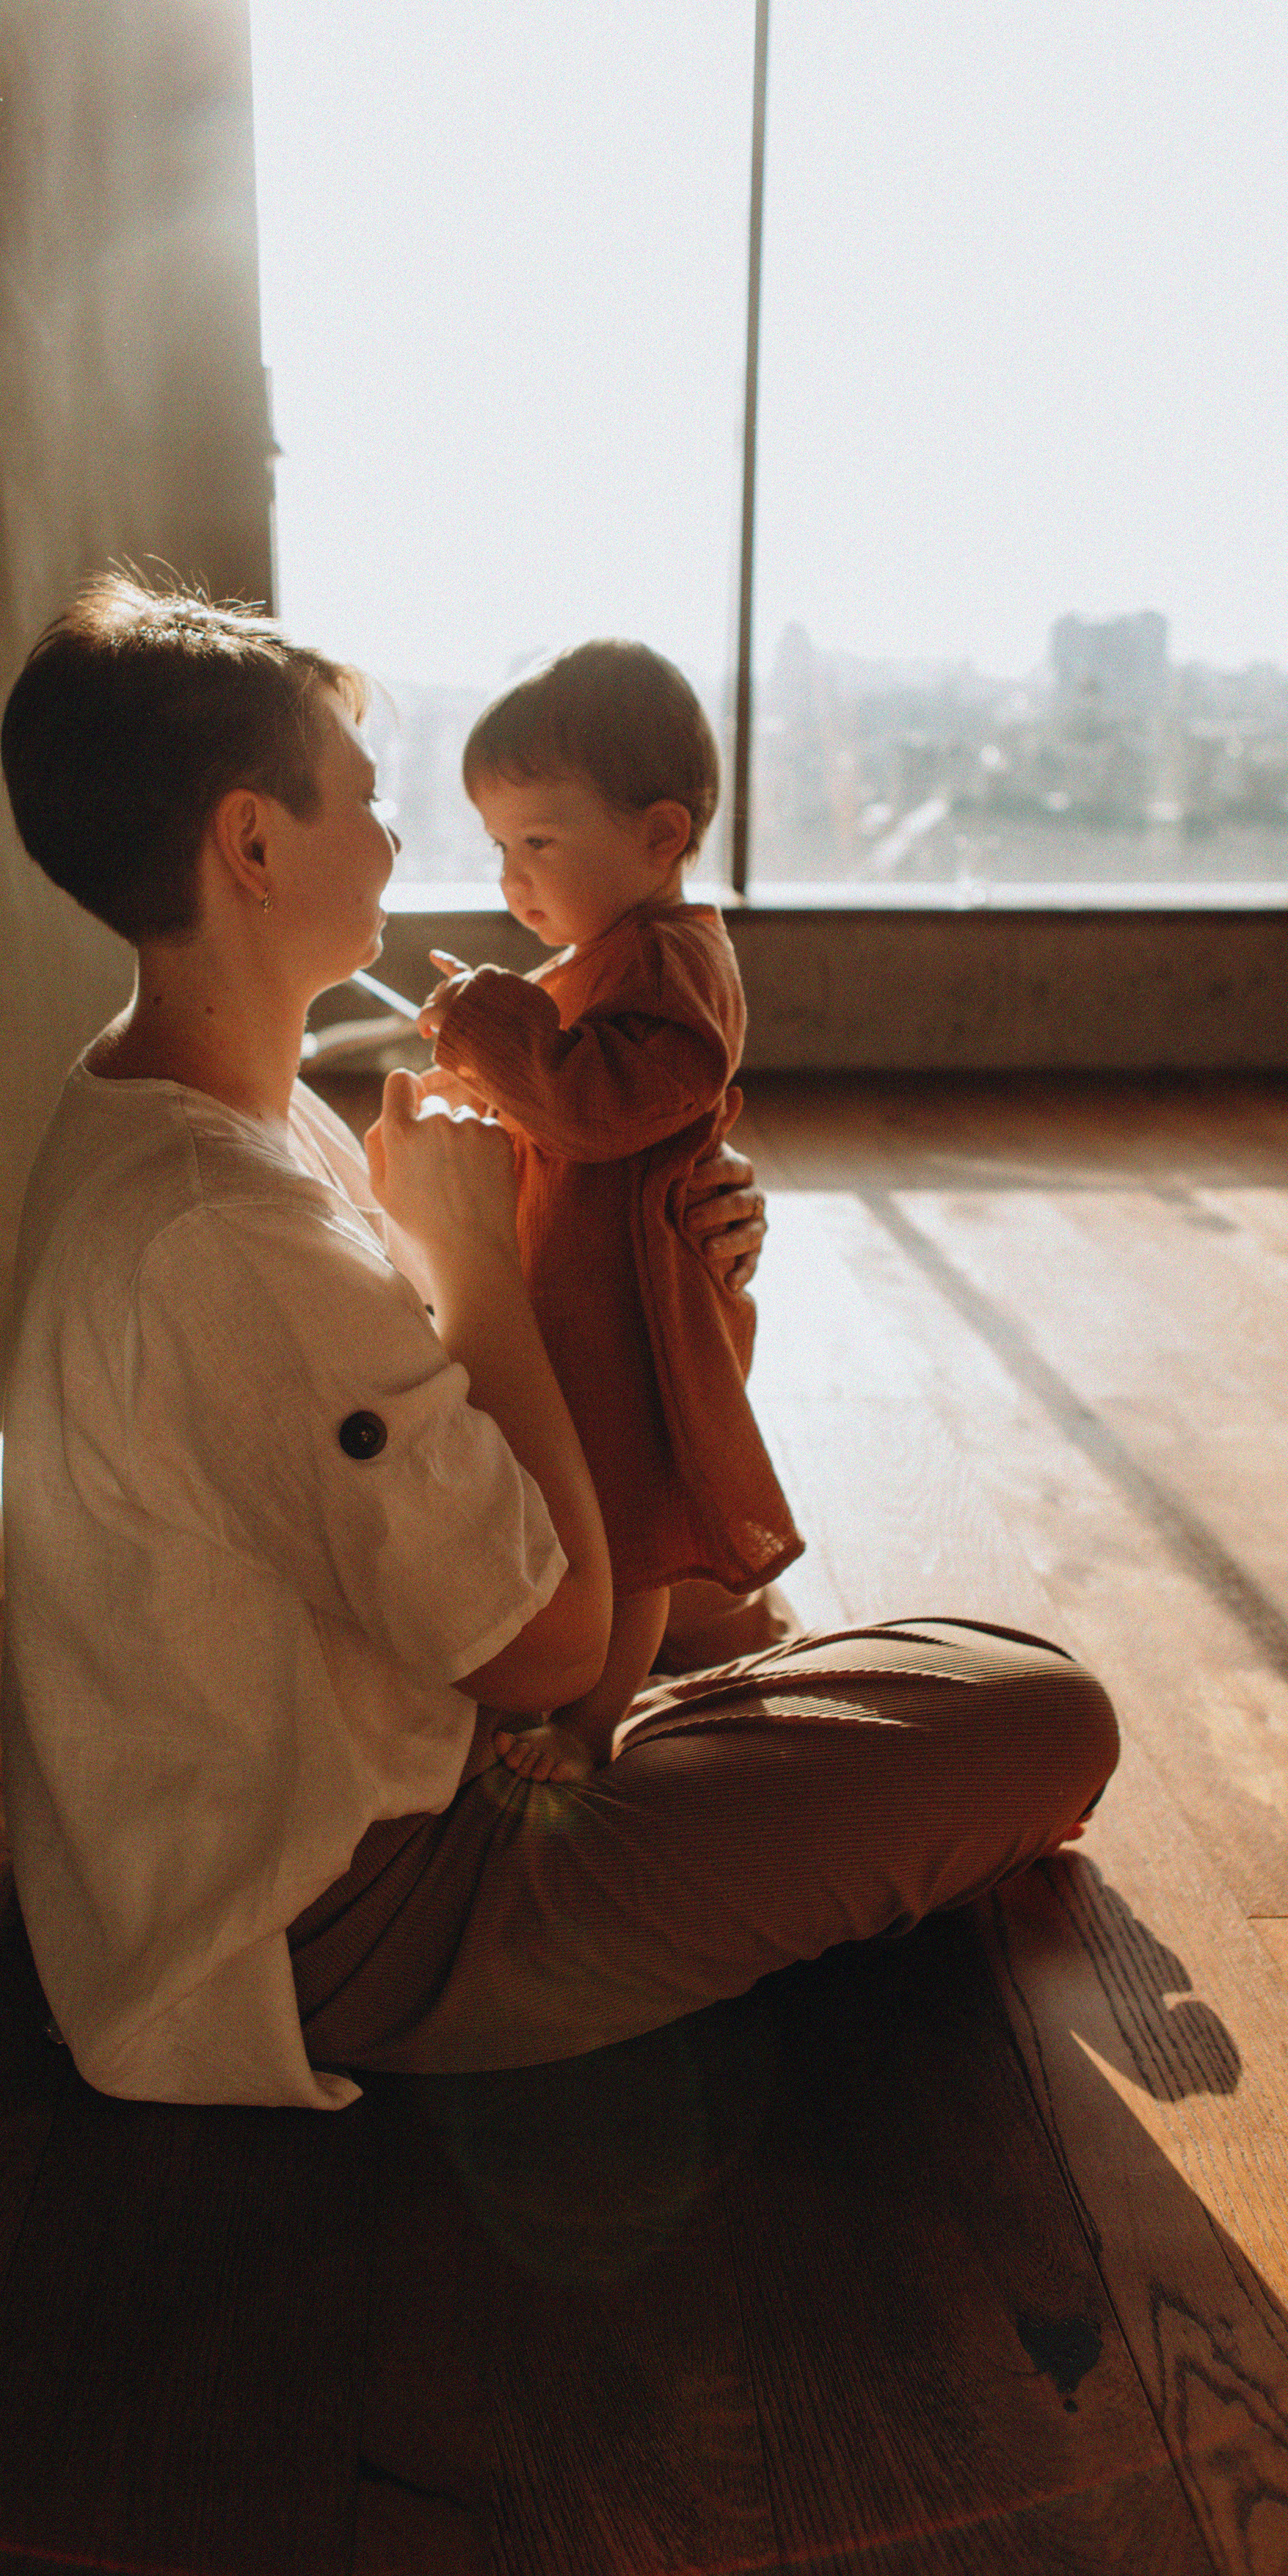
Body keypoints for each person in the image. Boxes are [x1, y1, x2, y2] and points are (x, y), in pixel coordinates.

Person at [0, 572, 1118, 2109]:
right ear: (251, 843)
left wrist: (681, 1279)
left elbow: (459, 1437)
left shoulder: (170, 1108)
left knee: (725, 1600)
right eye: (367, 799)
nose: (397, 841)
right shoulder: (219, 1223)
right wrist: (475, 1258)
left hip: (316, 1770)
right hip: (351, 1916)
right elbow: (548, 1654)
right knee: (1037, 1715)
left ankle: (708, 1736)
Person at [415, 640, 800, 1784]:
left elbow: (598, 1106)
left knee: (625, 1534)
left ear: (661, 836)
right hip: (581, 1295)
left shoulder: (677, 963)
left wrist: (495, 1033)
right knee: (571, 1504)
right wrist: (481, 1071)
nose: (511, 877)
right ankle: (590, 1673)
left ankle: (593, 1725)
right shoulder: (605, 955)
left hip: (636, 1316)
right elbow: (559, 1105)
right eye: (497, 846)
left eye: (539, 841)